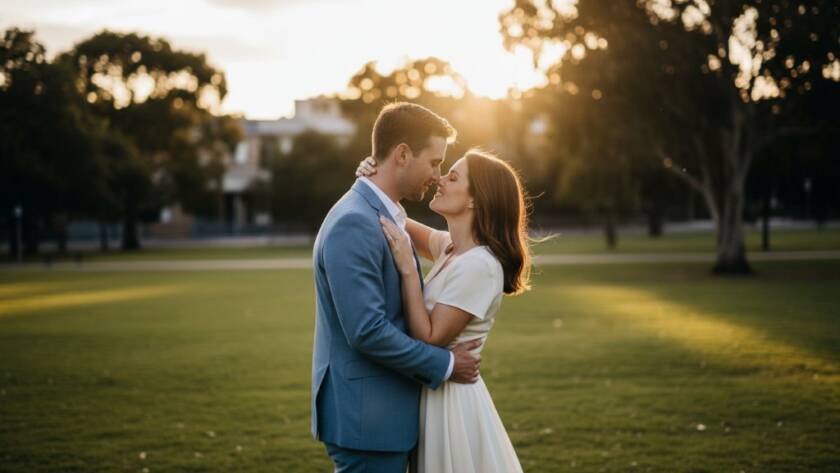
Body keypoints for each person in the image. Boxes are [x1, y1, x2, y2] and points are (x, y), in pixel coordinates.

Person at [311, 102, 482, 473]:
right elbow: (367, 331)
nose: (438, 176)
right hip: (366, 421)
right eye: (435, 163)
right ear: (403, 154)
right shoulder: (354, 222)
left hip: (383, 417)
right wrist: (448, 364)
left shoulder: (383, 213)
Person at [357, 146, 531, 472]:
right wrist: (376, 177)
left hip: (451, 404)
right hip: (435, 390)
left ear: (475, 199)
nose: (439, 179)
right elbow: (393, 220)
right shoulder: (450, 249)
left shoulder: (479, 264)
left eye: (453, 177)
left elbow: (430, 337)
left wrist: (409, 269)